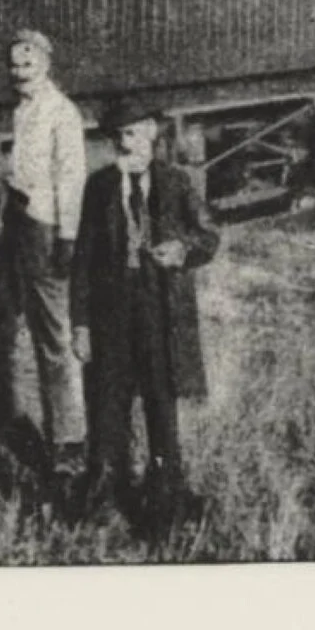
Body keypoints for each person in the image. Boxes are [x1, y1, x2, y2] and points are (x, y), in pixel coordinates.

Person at [69, 96, 221, 533]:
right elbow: (82, 260)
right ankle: (100, 497)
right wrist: (80, 323)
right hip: (110, 313)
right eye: (117, 136)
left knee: (160, 404)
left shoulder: (176, 183)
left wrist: (183, 250)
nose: (124, 143)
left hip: (160, 311)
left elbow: (209, 235)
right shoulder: (99, 188)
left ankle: (165, 502)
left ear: (153, 132)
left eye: (132, 133)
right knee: (107, 406)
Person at [0, 27, 87, 461]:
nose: (19, 71)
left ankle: (67, 438)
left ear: (46, 65)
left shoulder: (61, 112)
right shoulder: (22, 111)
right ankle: (6, 407)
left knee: (52, 332)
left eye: (29, 63)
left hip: (45, 227)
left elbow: (71, 177)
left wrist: (67, 237)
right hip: (18, 221)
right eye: (15, 64)